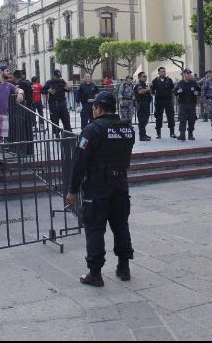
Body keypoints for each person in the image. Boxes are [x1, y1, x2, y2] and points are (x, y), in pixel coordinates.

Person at [65, 90, 135, 287]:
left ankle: (95, 273)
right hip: (120, 182)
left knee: (95, 228)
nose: (92, 109)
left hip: (98, 185)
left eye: (94, 106)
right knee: (120, 225)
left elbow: (80, 162)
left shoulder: (92, 130)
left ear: (99, 108)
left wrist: (72, 190)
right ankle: (124, 266)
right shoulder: (128, 129)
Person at [43, 69, 72, 136]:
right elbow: (42, 90)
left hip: (62, 102)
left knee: (66, 118)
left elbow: (66, 89)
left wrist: (68, 88)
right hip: (53, 103)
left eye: (59, 76)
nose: (58, 78)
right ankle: (57, 134)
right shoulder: (49, 82)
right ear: (53, 76)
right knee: (55, 120)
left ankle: (68, 133)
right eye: (57, 76)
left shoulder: (62, 81)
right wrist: (48, 91)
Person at [173, 69, 200, 141]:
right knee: (182, 120)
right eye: (187, 73)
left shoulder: (193, 83)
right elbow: (174, 91)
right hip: (183, 105)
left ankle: (190, 134)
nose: (189, 74)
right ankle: (182, 134)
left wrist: (197, 93)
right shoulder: (180, 83)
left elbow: (199, 90)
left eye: (190, 73)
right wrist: (178, 91)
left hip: (191, 104)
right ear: (184, 74)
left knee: (192, 120)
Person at [151, 67, 176, 139]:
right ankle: (158, 133)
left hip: (168, 100)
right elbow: (152, 90)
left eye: (164, 71)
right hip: (159, 101)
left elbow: (173, 88)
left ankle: (172, 132)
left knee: (170, 116)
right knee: (158, 117)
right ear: (158, 73)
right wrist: (156, 94)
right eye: (161, 71)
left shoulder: (169, 80)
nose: (163, 73)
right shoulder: (155, 80)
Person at [134, 72, 152, 141]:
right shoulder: (139, 84)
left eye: (146, 76)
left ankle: (144, 134)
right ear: (139, 77)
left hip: (145, 105)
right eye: (144, 76)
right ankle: (142, 136)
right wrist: (148, 89)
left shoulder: (144, 84)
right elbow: (140, 92)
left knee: (145, 120)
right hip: (141, 105)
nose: (145, 77)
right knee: (142, 121)